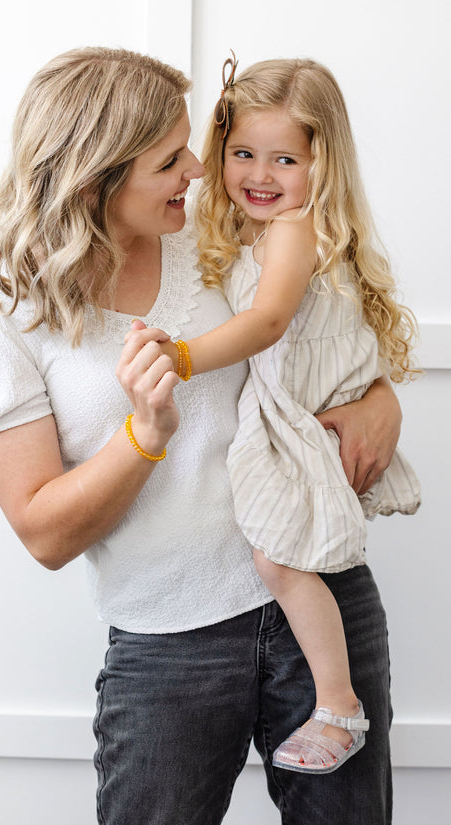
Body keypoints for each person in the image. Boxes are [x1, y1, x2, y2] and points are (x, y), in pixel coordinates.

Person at [0, 47, 401, 824]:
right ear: (95, 178)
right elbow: (45, 532)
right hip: (172, 646)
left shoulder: (219, 236)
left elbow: (313, 344)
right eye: (169, 160)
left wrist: (382, 401)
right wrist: (144, 434)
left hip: (323, 593)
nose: (198, 168)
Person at [146, 54, 421, 775]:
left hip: (302, 417)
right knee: (282, 554)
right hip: (291, 413)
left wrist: (180, 357)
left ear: (322, 166)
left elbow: (268, 322)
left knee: (276, 556)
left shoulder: (294, 229)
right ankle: (336, 700)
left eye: (285, 159)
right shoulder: (245, 231)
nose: (260, 174)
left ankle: (339, 705)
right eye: (242, 153)